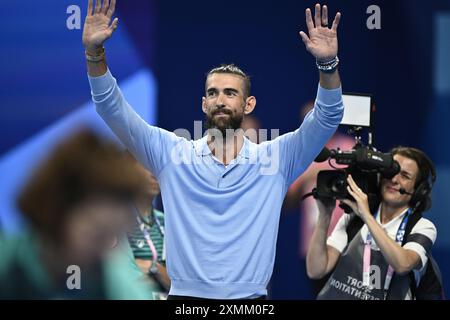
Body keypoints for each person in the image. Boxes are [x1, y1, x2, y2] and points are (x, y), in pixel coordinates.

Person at [83, 0, 344, 299]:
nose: (220, 100)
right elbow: (111, 108)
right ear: (204, 104)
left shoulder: (276, 158)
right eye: (213, 93)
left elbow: (327, 116)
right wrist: (94, 54)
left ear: (248, 104)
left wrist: (327, 65)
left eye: (230, 93)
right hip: (185, 300)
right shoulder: (172, 154)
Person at [0, 130, 155, 299]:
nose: (108, 253)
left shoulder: (109, 276)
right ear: (55, 216)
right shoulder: (7, 267)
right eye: (98, 234)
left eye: (117, 236)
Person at [306, 147, 438, 300]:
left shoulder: (423, 227)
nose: (394, 179)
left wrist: (367, 216)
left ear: (418, 190)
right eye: (391, 171)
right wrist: (325, 216)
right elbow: (316, 270)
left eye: (405, 176)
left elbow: (403, 264)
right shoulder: (353, 217)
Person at [125, 154, 170, 299]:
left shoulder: (167, 221)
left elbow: (184, 279)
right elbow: (121, 278)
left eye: (157, 167)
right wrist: (162, 272)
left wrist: (151, 269)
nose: (154, 173)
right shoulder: (117, 222)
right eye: (146, 165)